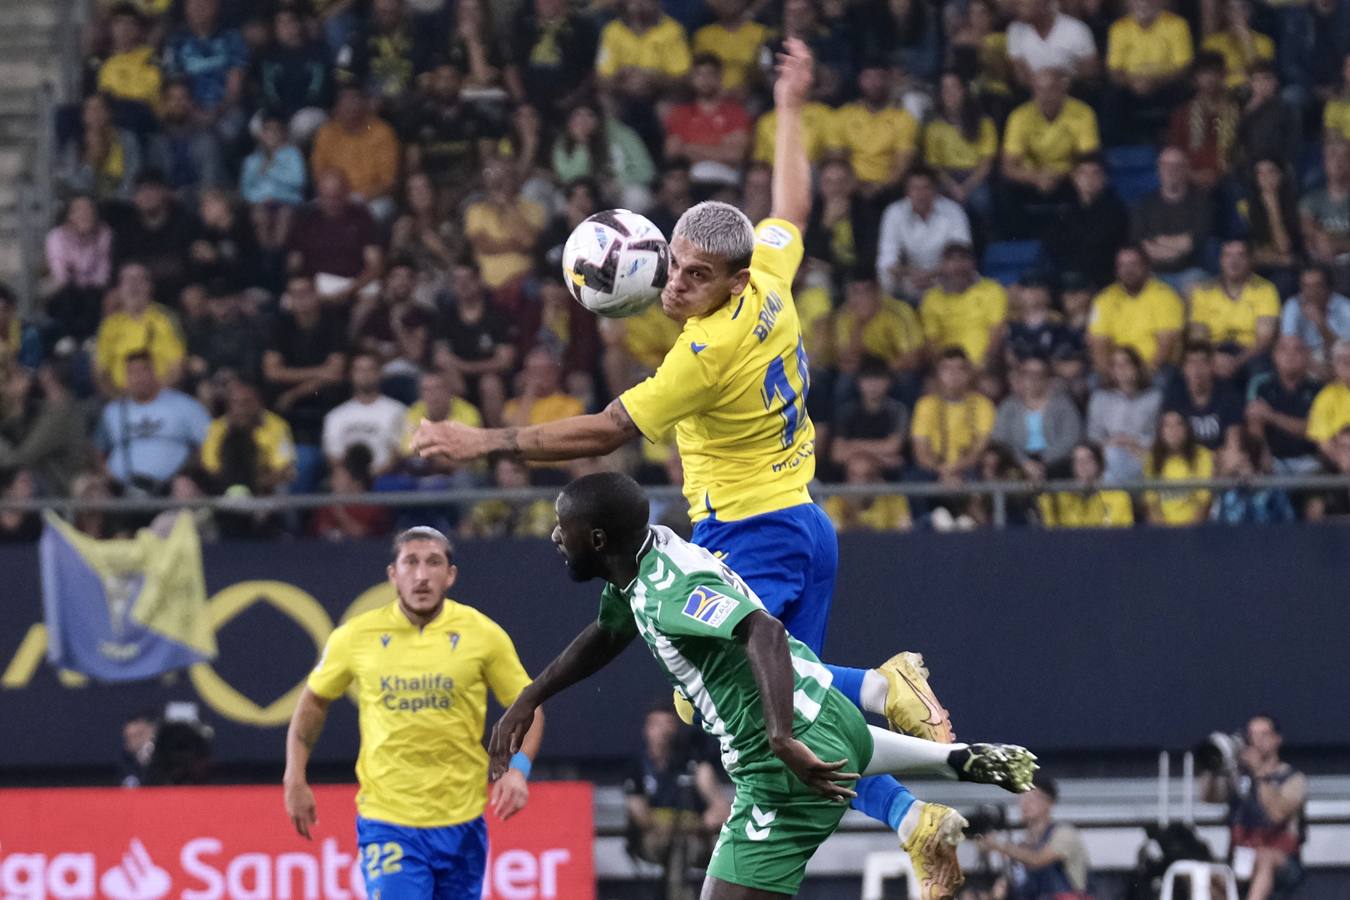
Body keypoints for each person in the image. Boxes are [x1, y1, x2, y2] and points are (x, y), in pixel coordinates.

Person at [417, 41, 976, 896]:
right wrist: (789, 108)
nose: (674, 287)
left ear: (731, 279)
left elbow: (606, 430)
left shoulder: (706, 354)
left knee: (706, 697)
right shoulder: (773, 282)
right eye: (672, 266)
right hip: (804, 523)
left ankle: (885, 684)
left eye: (695, 277)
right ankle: (913, 814)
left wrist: (483, 441)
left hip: (751, 532)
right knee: (782, 717)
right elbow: (789, 204)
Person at [492, 472, 1036, 899]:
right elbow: (609, 631)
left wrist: (780, 738)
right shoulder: (648, 552)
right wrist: (531, 694)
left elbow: (765, 630)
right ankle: (949, 756)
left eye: (564, 526)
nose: (555, 535)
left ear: (597, 537)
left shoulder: (665, 591)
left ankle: (884, 694)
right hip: (830, 713)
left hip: (779, 768)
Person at [284, 527, 545, 899]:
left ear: (450, 575)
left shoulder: (482, 634)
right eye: (411, 562)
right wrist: (295, 776)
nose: (421, 575)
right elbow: (313, 701)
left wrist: (519, 772)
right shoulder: (356, 636)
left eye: (433, 563)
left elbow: (529, 708)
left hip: (463, 821)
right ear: (393, 574)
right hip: (388, 819)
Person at [624, 704, 732, 900]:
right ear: (647, 729)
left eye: (669, 724)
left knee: (682, 844)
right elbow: (639, 814)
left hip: (694, 838)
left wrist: (708, 817)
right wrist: (670, 824)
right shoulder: (638, 765)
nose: (664, 731)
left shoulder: (694, 763)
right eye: (657, 725)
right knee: (675, 841)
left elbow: (721, 809)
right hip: (654, 838)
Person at [1199, 715, 1308, 900]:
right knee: (1206, 877)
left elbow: (1276, 815)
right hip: (1240, 858)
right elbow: (1209, 797)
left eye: (1263, 735)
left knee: (1263, 859)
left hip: (1280, 860)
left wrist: (1258, 773)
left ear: (1277, 739)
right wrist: (1216, 765)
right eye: (1252, 735)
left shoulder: (1294, 780)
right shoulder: (1239, 777)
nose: (1256, 741)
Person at [1000, 67, 1099, 238]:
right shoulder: (1019, 116)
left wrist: (1059, 175)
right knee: (1004, 190)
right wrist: (1036, 177)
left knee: (1090, 180)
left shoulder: (1083, 113)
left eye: (1051, 89)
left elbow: (1088, 160)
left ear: (1063, 89)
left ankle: (1079, 236)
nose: (1045, 96)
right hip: (1032, 177)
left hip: (1068, 176)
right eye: (1039, 89)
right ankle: (1017, 241)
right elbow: (1009, 166)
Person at [96, 351, 211, 493]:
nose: (138, 378)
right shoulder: (112, 411)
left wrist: (190, 473)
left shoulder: (185, 405)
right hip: (121, 490)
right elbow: (98, 450)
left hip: (171, 489)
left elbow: (207, 443)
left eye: (143, 370)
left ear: (154, 372)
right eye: (132, 372)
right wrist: (108, 476)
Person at [978, 776, 1091, 899]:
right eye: (1022, 798)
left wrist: (999, 845)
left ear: (1049, 803)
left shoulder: (1064, 833)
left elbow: (1038, 860)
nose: (1025, 803)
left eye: (1032, 798)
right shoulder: (1021, 848)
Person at [1087, 246, 1184, 382]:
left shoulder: (1166, 296)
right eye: (1122, 265)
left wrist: (1144, 374)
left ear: (1146, 266)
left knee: (1162, 381)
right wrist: (1108, 375)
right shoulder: (1104, 299)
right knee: (1093, 382)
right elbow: (1098, 343)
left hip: (1156, 368)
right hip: (1117, 369)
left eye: (1133, 264)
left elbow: (1166, 344)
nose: (1128, 270)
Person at [877, 169, 972, 301]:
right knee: (884, 277)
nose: (920, 194)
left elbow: (961, 257)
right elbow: (887, 261)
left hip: (943, 276)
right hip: (910, 277)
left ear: (935, 190)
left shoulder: (953, 211)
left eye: (926, 188)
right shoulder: (894, 212)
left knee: (961, 273)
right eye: (915, 188)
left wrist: (930, 274)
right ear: (907, 192)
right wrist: (912, 273)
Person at [1188, 241, 1281, 374]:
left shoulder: (1265, 289)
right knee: (1196, 369)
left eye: (1240, 256)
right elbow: (1198, 337)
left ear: (1250, 260)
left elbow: (1265, 339)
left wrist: (1236, 361)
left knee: (1261, 368)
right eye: (1228, 256)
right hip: (1214, 351)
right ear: (1221, 260)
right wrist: (1215, 357)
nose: (1234, 261)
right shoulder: (1203, 291)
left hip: (1250, 352)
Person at [1131, 147, 1213, 296]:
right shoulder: (1144, 204)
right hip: (1153, 273)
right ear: (1159, 169)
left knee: (1199, 290)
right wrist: (1177, 245)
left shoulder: (1201, 203)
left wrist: (1159, 240)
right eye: (1166, 165)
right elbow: (1146, 247)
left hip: (1190, 273)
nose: (1171, 170)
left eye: (1177, 166)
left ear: (1185, 169)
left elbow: (1191, 244)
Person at [918, 242, 1007, 372]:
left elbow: (996, 332)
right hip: (946, 371)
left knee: (988, 388)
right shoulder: (931, 298)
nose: (957, 265)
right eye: (951, 260)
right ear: (942, 266)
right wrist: (944, 372)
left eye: (963, 258)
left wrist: (982, 365)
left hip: (983, 366)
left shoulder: (993, 289)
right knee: (930, 390)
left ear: (973, 264)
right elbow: (931, 342)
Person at [992, 354, 1082, 479]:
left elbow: (1071, 438)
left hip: (1056, 461)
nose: (1033, 379)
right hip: (1018, 461)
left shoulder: (1063, 404)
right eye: (1028, 374)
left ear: (1047, 378)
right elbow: (1001, 439)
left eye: (1039, 374)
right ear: (1021, 377)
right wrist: (1024, 462)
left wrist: (1042, 460)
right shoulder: (1009, 406)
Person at [322, 352, 408, 477]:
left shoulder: (398, 411)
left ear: (379, 374)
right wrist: (353, 477)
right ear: (351, 375)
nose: (365, 374)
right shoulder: (335, 415)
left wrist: (372, 475)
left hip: (386, 479)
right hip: (349, 480)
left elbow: (399, 453)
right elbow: (333, 456)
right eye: (359, 370)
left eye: (370, 369)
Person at [1246, 335, 1322, 475]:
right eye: (1283, 349)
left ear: (1307, 356)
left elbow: (1311, 430)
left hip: (1309, 461)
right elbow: (1254, 419)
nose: (1290, 355)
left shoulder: (1318, 390)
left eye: (1297, 350)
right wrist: (1263, 455)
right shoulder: (1262, 386)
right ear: (1274, 356)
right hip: (1273, 461)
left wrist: (1271, 416)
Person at [1086, 346, 1162, 483]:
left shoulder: (1153, 398)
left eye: (1126, 363)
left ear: (1137, 367)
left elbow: (1158, 434)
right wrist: (1111, 442)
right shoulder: (1100, 398)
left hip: (1142, 453)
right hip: (1109, 452)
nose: (1121, 368)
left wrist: (1135, 442)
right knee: (1112, 457)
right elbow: (1093, 435)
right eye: (1116, 364)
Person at [1164, 342, 1244, 453]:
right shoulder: (1174, 396)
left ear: (1212, 367)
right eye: (1191, 363)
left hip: (1220, 459)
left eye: (1203, 362)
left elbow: (1234, 443)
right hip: (1188, 460)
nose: (1197, 369)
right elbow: (1170, 442)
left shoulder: (1228, 393)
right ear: (1183, 369)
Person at [1037, 441, 1134, 528]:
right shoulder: (1063, 497)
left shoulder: (1119, 497)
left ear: (1099, 464)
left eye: (1088, 459)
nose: (1082, 464)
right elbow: (1048, 519)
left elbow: (1121, 532)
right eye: (1077, 460)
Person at [1144, 410, 1213, 526]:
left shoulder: (1202, 455)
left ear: (1187, 429)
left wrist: (1188, 532)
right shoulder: (1152, 458)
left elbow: (1204, 502)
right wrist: (1167, 532)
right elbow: (1152, 504)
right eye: (1168, 425)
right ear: (1160, 431)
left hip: (1195, 531)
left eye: (1178, 424)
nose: (1173, 430)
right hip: (1163, 531)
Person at [1280, 265, 1350, 380]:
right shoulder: (1293, 305)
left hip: (1337, 357)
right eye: (1306, 286)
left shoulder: (1345, 308)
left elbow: (1344, 349)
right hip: (1304, 356)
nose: (1311, 292)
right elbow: (1289, 342)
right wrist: (1311, 365)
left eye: (1317, 286)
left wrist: (1321, 325)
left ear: (1329, 288)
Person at [1306, 340, 1350, 457]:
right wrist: (1343, 462)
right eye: (1341, 359)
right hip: (1339, 464)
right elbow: (1324, 442)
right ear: (1334, 366)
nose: (1347, 363)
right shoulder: (1326, 396)